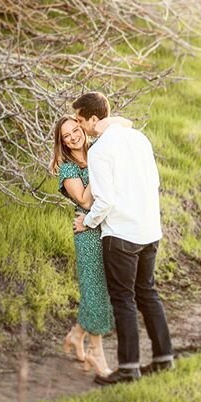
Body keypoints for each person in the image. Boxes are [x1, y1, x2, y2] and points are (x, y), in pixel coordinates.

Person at [72, 91, 173, 385]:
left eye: (80, 120)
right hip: (150, 229)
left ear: (94, 119)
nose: (79, 127)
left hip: (122, 236)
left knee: (124, 300)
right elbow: (154, 182)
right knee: (148, 293)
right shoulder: (140, 139)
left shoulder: (100, 150)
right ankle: (163, 357)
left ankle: (129, 368)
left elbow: (104, 201)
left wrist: (86, 223)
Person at [49, 113, 131, 377]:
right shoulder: (68, 169)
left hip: (111, 227)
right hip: (88, 232)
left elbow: (124, 125)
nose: (73, 136)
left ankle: (76, 335)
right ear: (61, 142)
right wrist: (100, 167)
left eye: (76, 129)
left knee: (104, 287)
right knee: (95, 289)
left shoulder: (97, 150)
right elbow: (85, 201)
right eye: (66, 136)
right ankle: (98, 353)